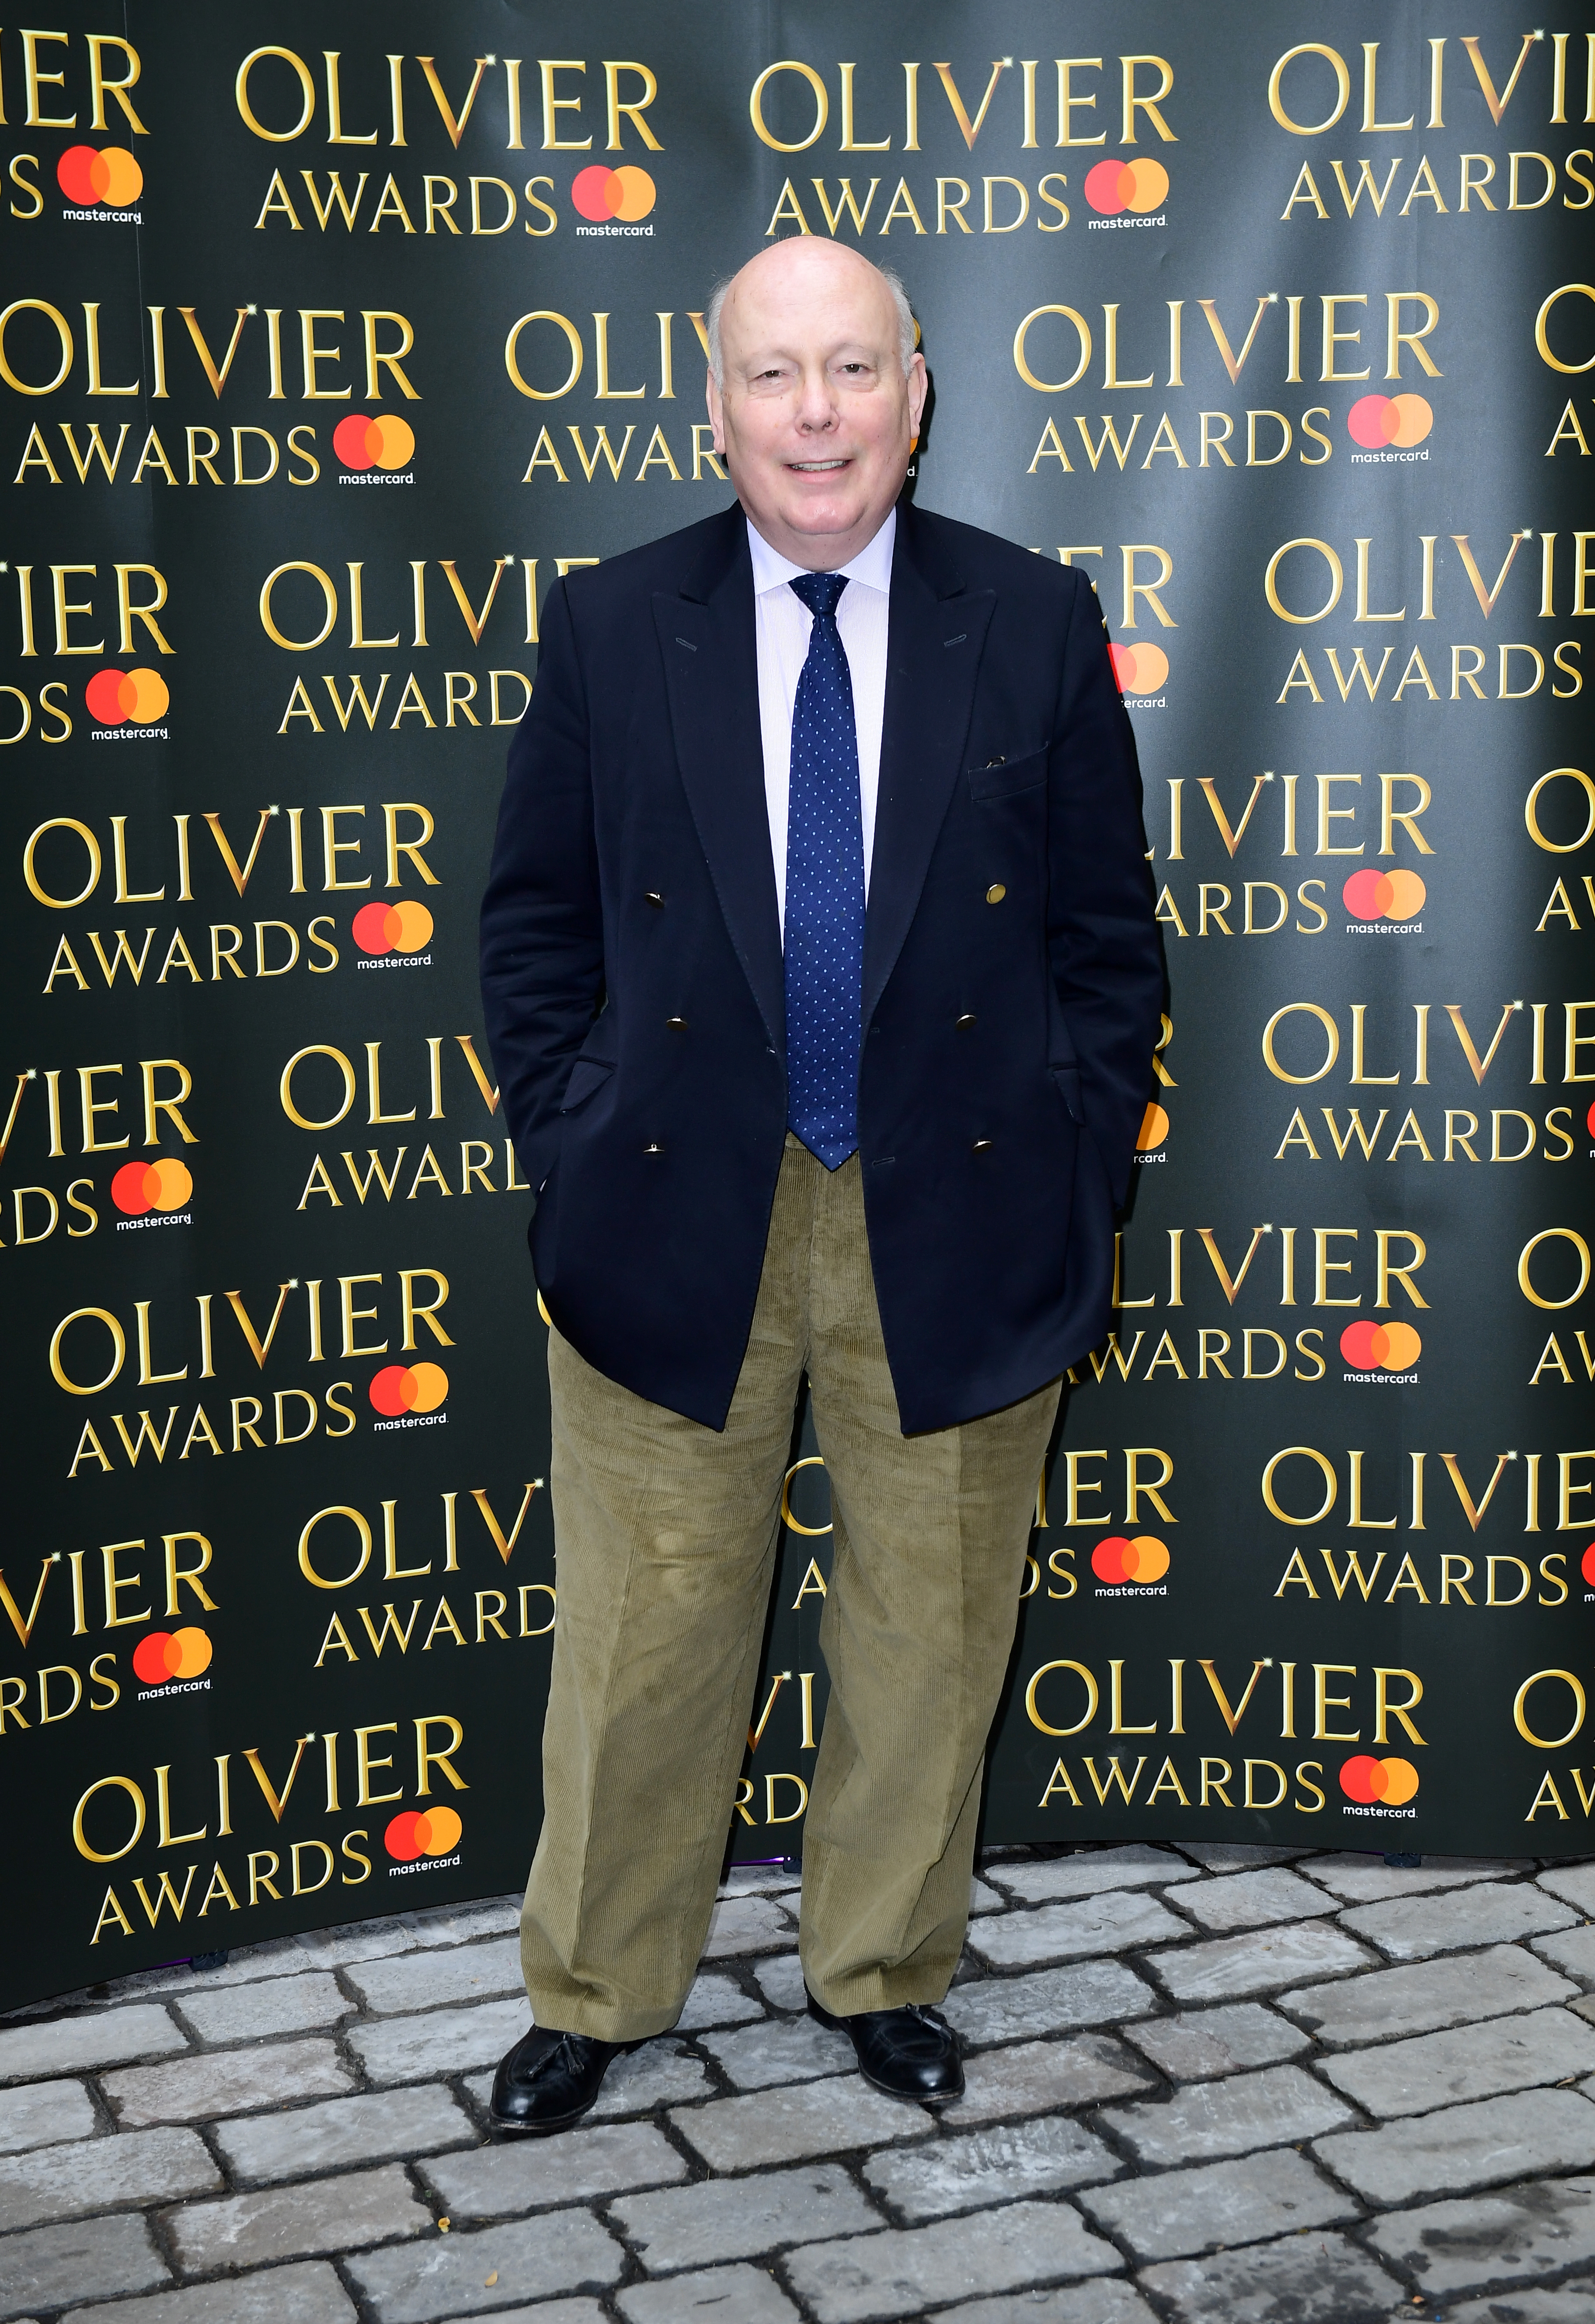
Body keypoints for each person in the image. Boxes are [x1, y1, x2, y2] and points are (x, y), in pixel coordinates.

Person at [478, 236, 1163, 2133]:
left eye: (852, 371)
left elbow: (1110, 943)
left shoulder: (1029, 618)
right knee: (641, 1637)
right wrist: (571, 1138)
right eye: (774, 375)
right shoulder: (615, 623)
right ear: (714, 405)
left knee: (930, 1628)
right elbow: (531, 926)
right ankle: (599, 1993)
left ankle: (881, 1969)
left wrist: (1077, 1162)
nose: (816, 415)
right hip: (671, 1205)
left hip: (958, 1206)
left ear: (917, 395)